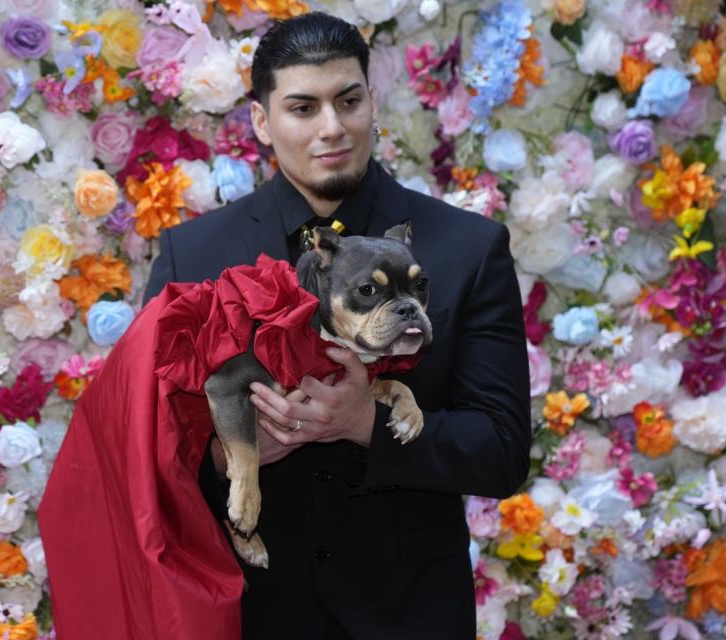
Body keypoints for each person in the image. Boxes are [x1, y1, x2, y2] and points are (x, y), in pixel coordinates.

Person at [142, 12, 531, 639]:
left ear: (373, 103)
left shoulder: (466, 247)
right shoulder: (194, 255)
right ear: (262, 122)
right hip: (246, 614)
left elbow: (502, 452)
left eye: (348, 100)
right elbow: (147, 445)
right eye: (302, 108)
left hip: (409, 613)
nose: (332, 128)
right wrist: (226, 456)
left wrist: (363, 424)